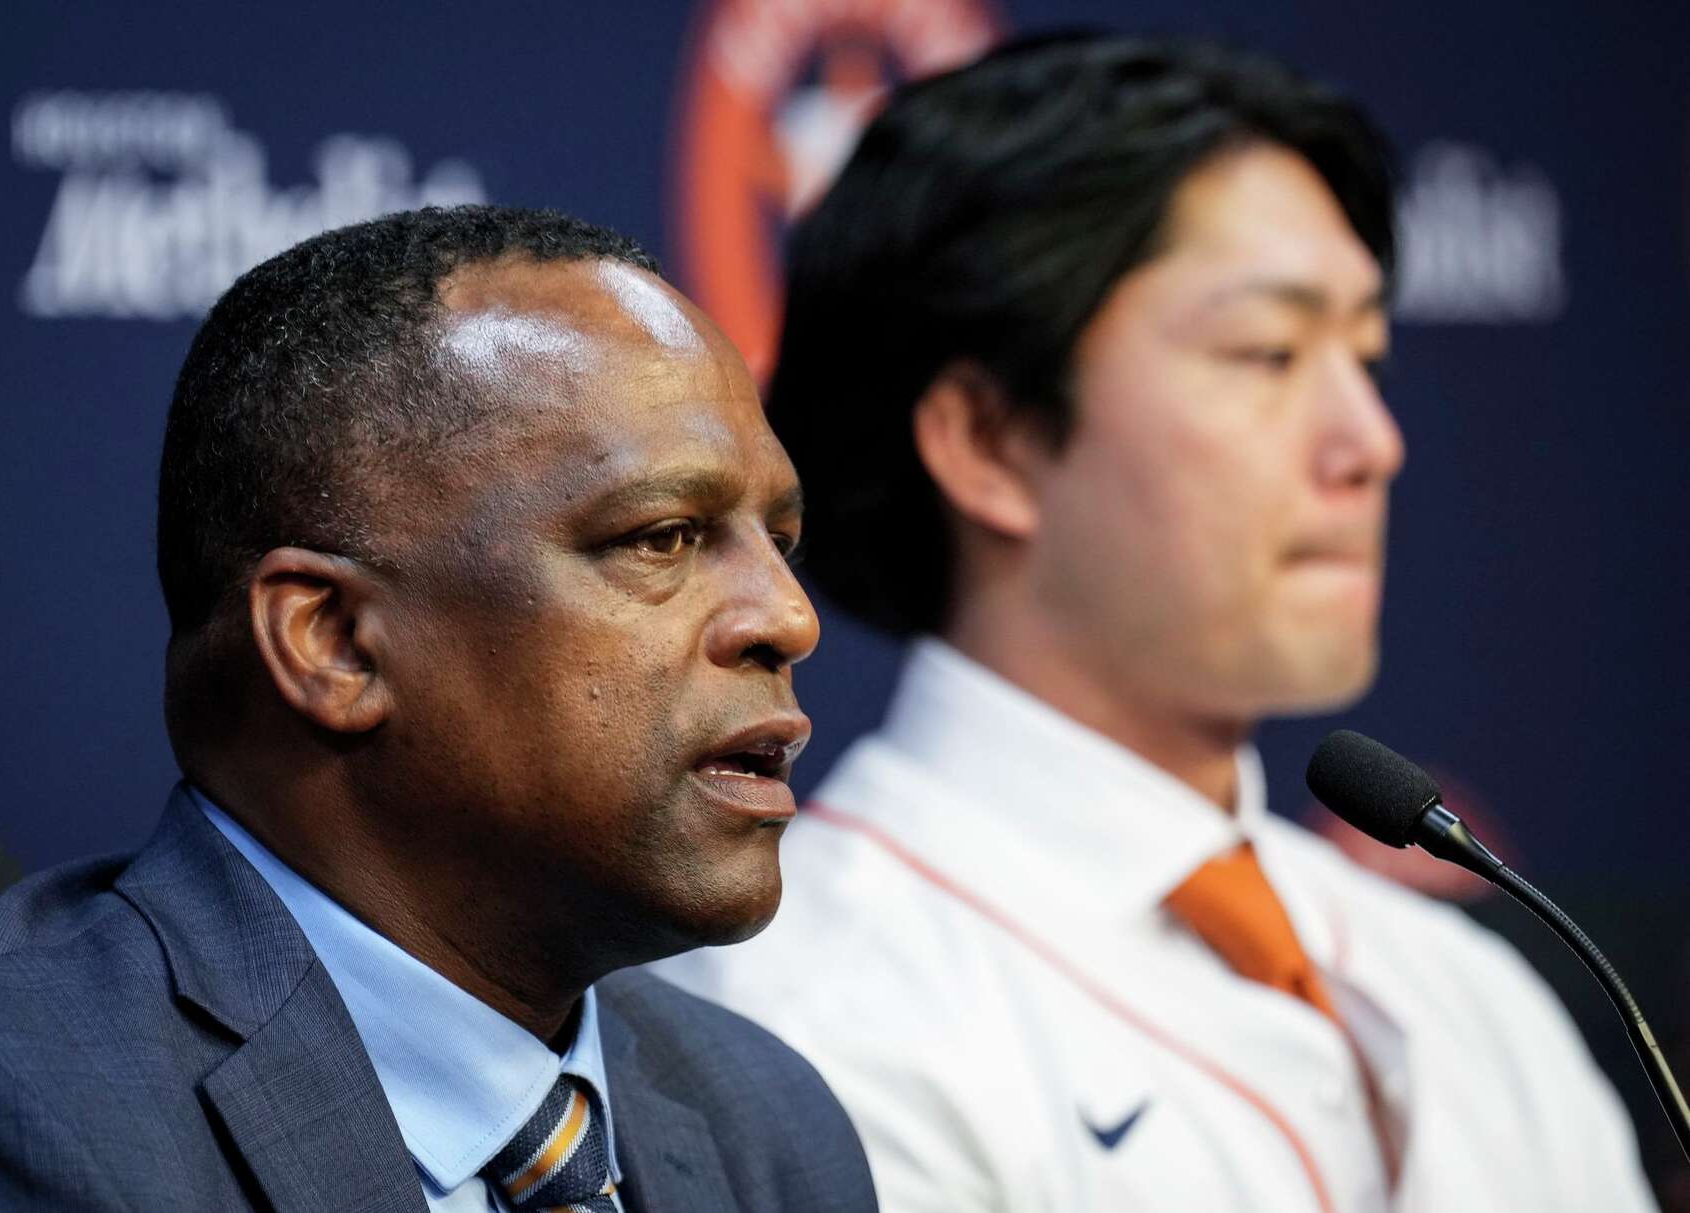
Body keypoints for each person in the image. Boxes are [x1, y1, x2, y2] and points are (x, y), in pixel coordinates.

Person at [652, 32, 1657, 1211]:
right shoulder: (790, 1021)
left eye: (1368, 354)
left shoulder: (1469, 992)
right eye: (1268, 353)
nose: (1369, 442)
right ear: (990, 440)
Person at [0, 206, 877, 1213]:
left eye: (777, 543)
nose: (787, 619)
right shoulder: (26, 1116)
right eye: (662, 536)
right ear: (336, 643)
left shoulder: (765, 1118)